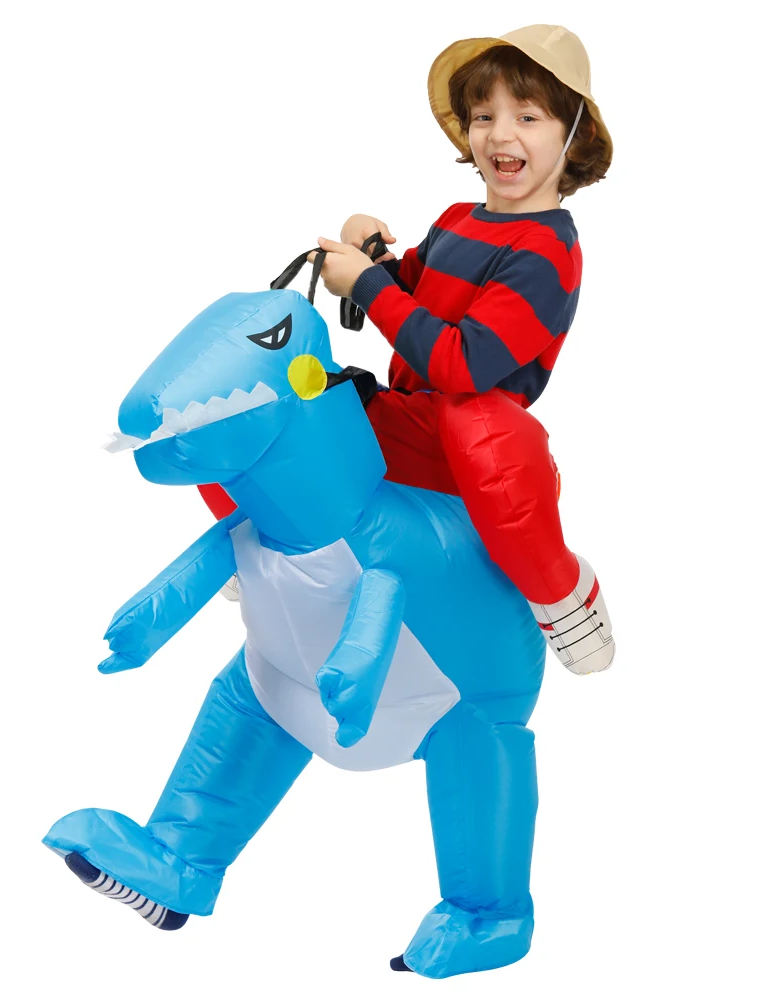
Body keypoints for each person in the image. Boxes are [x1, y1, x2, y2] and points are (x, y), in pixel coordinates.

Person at [208, 25, 616, 675]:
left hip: (474, 448)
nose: (499, 135)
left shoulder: (548, 251)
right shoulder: (458, 220)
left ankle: (564, 595)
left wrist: (368, 287)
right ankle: (259, 543)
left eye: (527, 116)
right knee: (240, 402)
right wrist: (367, 256)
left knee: (471, 415)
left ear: (574, 137)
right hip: (406, 419)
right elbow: (407, 296)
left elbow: (462, 364)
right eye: (484, 116)